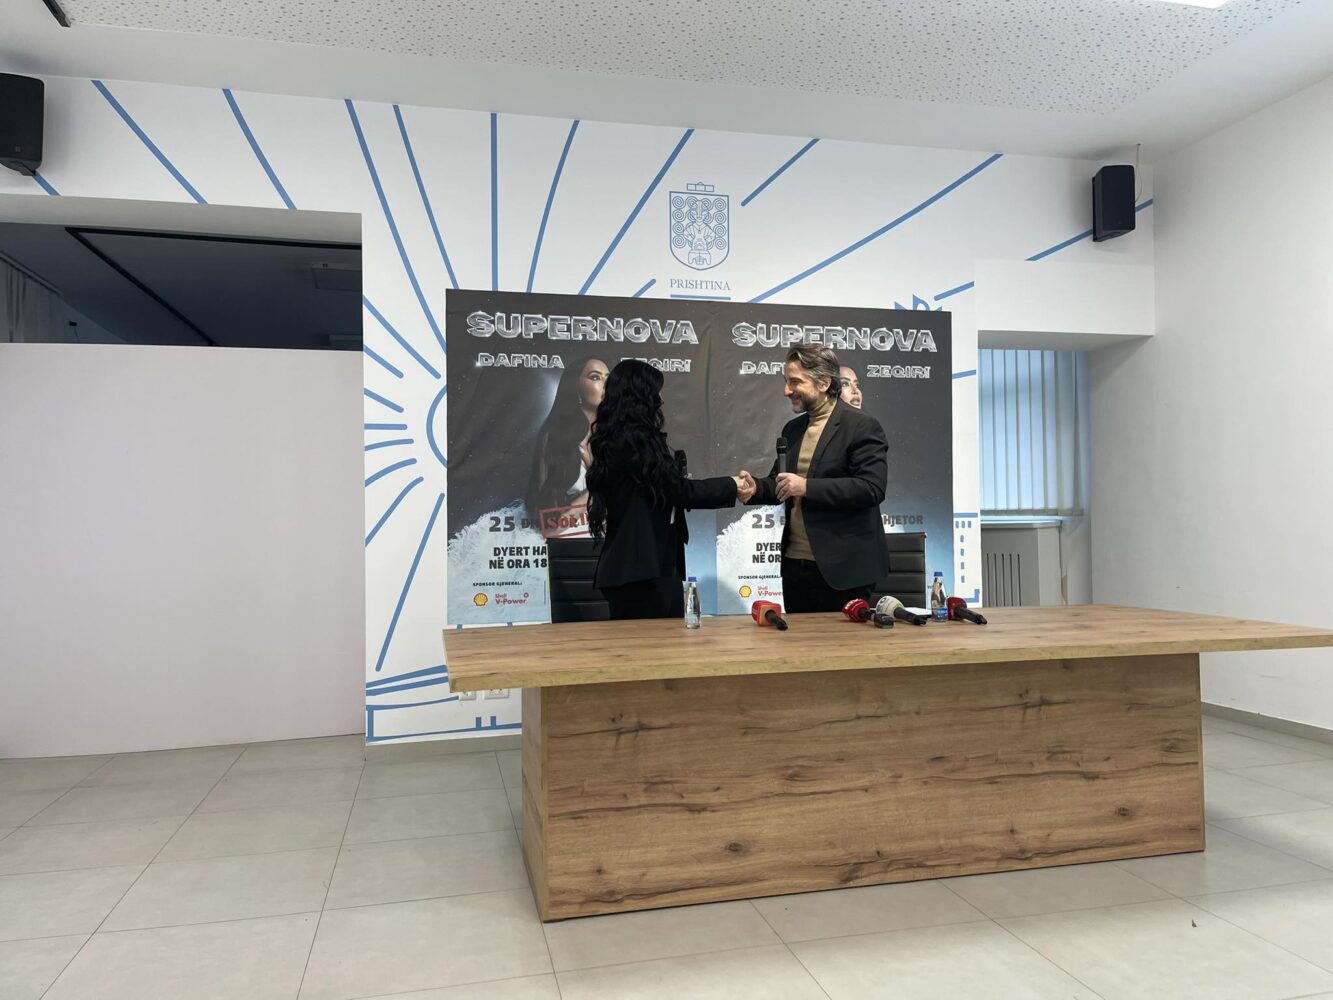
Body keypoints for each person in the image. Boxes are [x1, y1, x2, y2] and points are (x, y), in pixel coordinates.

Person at [588, 360, 755, 619]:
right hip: (640, 572)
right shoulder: (634, 441)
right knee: (651, 643)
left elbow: (661, 490)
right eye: (654, 393)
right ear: (640, 397)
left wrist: (671, 481)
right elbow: (679, 491)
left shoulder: (618, 439)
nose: (659, 401)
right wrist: (732, 484)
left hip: (651, 567)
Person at [742, 346, 889, 613]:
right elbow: (781, 483)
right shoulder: (793, 429)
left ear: (824, 383)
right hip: (795, 567)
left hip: (845, 571)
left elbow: (871, 488)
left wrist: (806, 487)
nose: (787, 390)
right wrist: (756, 488)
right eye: (786, 381)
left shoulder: (861, 426)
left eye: (795, 382)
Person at [526, 357, 608, 535]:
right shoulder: (555, 437)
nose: (606, 385)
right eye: (595, 377)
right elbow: (547, 526)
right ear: (576, 386)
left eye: (609, 378)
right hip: (570, 532)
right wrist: (597, 487)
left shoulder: (619, 435)